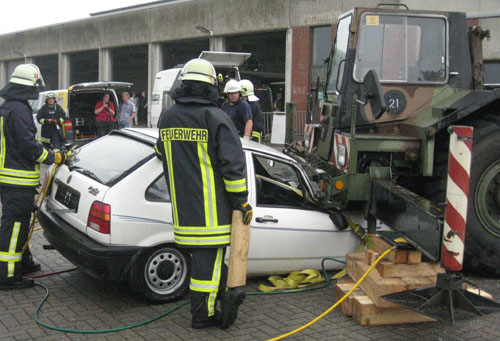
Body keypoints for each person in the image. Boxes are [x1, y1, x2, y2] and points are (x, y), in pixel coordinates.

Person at [155, 58, 252, 329]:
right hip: (213, 213)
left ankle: (214, 300)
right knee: (206, 269)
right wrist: (241, 202)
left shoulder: (168, 116)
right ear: (211, 86)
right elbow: (233, 167)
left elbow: (161, 151)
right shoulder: (216, 118)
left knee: (205, 264)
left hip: (183, 211)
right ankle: (203, 315)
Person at [0, 64, 66, 290]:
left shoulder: (8, 107)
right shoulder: (19, 111)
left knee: (17, 223)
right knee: (15, 227)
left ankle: (23, 262)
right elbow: (31, 147)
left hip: (9, 179)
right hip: (17, 181)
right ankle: (8, 276)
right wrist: (54, 157)